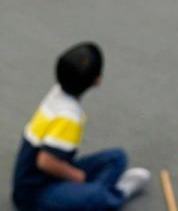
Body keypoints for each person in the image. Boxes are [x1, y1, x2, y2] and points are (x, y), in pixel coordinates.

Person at [11, 42, 150, 211]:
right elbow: (45, 161)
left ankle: (84, 193)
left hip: (47, 176)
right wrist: (77, 176)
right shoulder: (69, 117)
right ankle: (117, 193)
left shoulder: (56, 92)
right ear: (97, 81)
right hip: (33, 196)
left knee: (117, 157)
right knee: (97, 196)